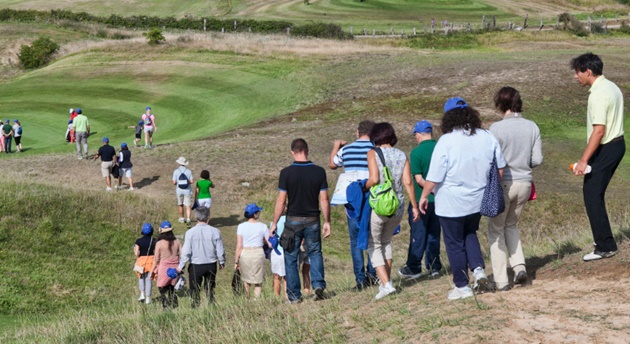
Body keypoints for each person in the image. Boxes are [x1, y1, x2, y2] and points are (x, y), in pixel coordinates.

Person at [419, 97, 506, 300]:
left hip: (451, 201)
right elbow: (500, 167)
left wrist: (424, 196)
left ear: (448, 118)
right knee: (470, 233)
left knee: (454, 242)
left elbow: (435, 176)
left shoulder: (447, 141)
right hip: (478, 199)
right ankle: (478, 270)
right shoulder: (486, 136)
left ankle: (462, 285)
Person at [570, 53, 626, 261]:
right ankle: (603, 241)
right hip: (617, 145)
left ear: (588, 71)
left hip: (607, 147)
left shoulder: (598, 94)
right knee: (594, 192)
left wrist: (584, 160)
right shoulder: (611, 86)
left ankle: (605, 246)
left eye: (578, 72)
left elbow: (599, 131)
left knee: (592, 194)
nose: (576, 77)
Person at [488, 87, 543, 291]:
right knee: (511, 225)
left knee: (496, 230)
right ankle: (519, 266)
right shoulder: (532, 126)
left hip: (504, 183)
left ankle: (502, 280)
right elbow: (537, 159)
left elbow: (491, 160)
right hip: (525, 183)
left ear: (500, 104)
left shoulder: (496, 129)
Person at [270, 138, 331, 304]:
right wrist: (327, 221)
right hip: (313, 219)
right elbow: (324, 199)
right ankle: (318, 284)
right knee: (315, 252)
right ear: (308, 150)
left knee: (290, 257)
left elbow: (281, 201)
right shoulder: (319, 172)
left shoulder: (286, 173)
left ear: (292, 152)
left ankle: (294, 296)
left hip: (292, 221)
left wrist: (275, 223)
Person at [365, 122, 419, 300]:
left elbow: (373, 179)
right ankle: (384, 282)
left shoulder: (373, 153)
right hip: (398, 206)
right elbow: (408, 182)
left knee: (374, 244)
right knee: (386, 241)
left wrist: (363, 188)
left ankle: (386, 284)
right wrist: (415, 206)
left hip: (380, 205)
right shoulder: (402, 155)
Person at [328, 120, 378, 290]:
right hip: (371, 197)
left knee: (355, 240)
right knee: (372, 236)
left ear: (357, 133)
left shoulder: (346, 150)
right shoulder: (376, 150)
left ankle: (360, 279)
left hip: (351, 199)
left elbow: (332, 164)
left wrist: (336, 145)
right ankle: (373, 274)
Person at [398, 120, 443, 280]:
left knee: (418, 234)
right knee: (434, 233)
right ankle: (434, 266)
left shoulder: (416, 153)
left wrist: (429, 189)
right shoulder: (441, 147)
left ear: (418, 134)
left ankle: (413, 267)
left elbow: (418, 179)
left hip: (420, 199)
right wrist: (438, 189)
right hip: (440, 199)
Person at [177, 206, 226, 308]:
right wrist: (221, 261)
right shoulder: (215, 231)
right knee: (210, 288)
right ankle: (211, 306)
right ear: (208, 217)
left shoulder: (190, 233)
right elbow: (220, 250)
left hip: (196, 265)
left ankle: (195, 308)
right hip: (211, 264)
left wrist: (181, 266)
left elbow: (186, 252)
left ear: (196, 217)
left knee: (194, 290)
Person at [234, 204, 270, 299]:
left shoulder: (241, 226)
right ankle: (256, 300)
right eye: (258, 212)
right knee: (258, 281)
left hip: (245, 253)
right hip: (258, 252)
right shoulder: (263, 226)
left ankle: (247, 298)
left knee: (246, 279)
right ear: (255, 214)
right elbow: (269, 243)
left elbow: (239, 245)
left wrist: (236, 261)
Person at [151, 221, 182, 309]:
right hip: (175, 267)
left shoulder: (159, 243)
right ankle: (175, 305)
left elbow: (156, 259)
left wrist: (152, 272)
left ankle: (165, 304)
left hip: (163, 268)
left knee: (161, 287)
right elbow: (182, 254)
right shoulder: (177, 241)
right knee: (172, 288)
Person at [134, 222, 156, 304]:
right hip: (151, 262)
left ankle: (142, 294)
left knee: (140, 278)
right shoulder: (154, 240)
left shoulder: (138, 241)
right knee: (149, 279)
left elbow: (136, 253)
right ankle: (148, 298)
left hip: (141, 262)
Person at [269, 208, 287, 298]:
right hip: (288, 250)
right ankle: (288, 296)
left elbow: (270, 237)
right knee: (287, 277)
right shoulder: (290, 220)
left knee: (276, 277)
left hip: (277, 251)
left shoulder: (273, 223)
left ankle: (277, 297)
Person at [172, 157, 194, 224]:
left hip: (179, 190)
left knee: (180, 204)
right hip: (187, 190)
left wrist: (178, 183)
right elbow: (192, 181)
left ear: (179, 163)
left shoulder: (176, 171)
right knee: (188, 205)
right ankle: (188, 219)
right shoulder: (189, 171)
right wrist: (187, 182)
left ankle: (182, 218)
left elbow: (174, 182)